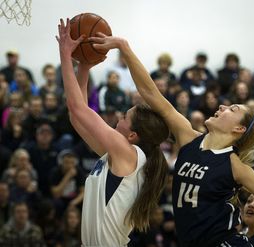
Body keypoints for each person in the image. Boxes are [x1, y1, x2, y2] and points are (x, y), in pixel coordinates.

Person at [89, 31, 254, 247]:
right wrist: (124, 47)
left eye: (232, 109)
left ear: (239, 128)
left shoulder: (235, 166)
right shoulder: (188, 137)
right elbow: (150, 93)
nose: (222, 106)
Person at [56, 19, 170, 247]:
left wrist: (66, 55)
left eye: (125, 118)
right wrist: (84, 67)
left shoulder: (128, 154)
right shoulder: (116, 156)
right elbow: (76, 116)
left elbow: (79, 108)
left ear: (132, 136)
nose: (119, 118)